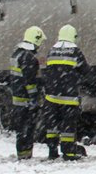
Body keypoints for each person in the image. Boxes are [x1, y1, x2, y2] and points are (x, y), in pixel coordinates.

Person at [40, 24, 90, 161]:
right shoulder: (75, 51)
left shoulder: (52, 51)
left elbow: (47, 71)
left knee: (52, 127)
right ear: (73, 36)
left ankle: (52, 151)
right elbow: (85, 71)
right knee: (68, 126)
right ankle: (69, 153)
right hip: (68, 97)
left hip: (51, 97)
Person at [9, 26, 45, 160]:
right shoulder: (28, 57)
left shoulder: (17, 53)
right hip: (26, 100)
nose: (40, 44)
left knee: (21, 129)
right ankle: (26, 155)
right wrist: (34, 98)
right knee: (27, 129)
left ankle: (22, 153)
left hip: (17, 98)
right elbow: (30, 81)